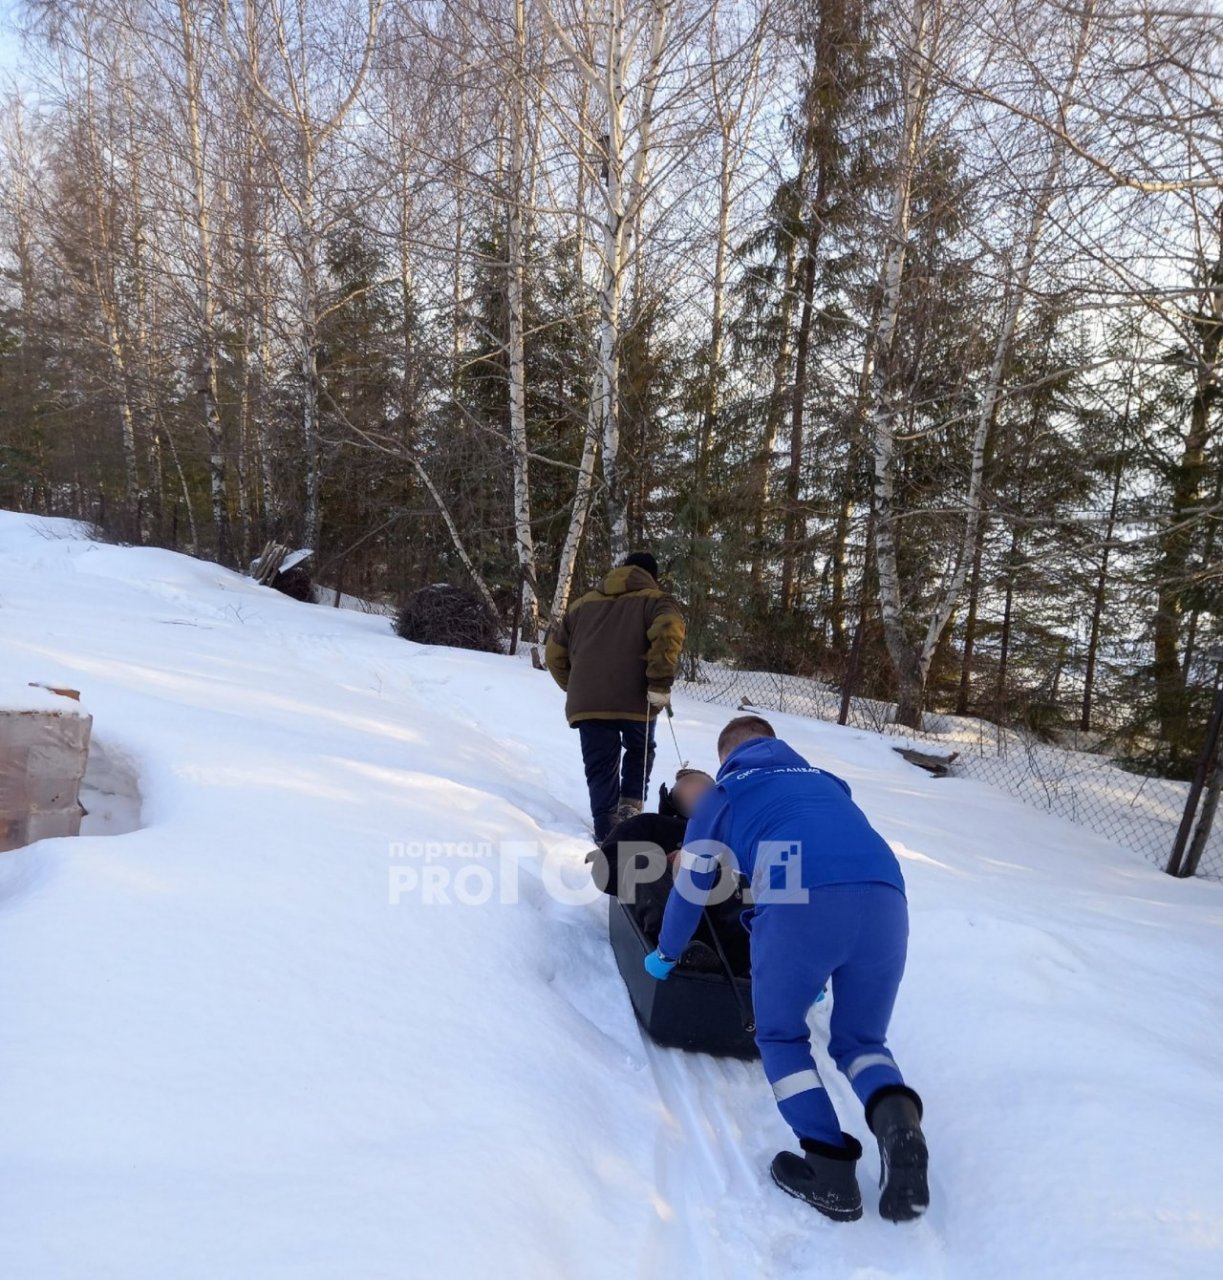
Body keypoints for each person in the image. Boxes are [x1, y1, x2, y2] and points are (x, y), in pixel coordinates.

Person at [644, 715, 928, 1224]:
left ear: (725, 758)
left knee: (779, 1037)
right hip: (887, 897)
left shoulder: (724, 794)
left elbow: (692, 888)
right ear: (778, 746)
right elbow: (801, 853)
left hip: (806, 909)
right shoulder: (826, 781)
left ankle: (830, 1173)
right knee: (862, 1041)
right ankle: (898, 1123)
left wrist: (666, 953)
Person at [545, 552, 685, 840]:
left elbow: (553, 653)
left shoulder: (581, 605)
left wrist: (577, 686)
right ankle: (631, 809)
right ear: (651, 575)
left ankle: (606, 827)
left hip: (589, 703)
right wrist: (659, 683)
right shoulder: (657, 600)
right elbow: (669, 630)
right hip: (637, 700)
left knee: (600, 763)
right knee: (640, 749)